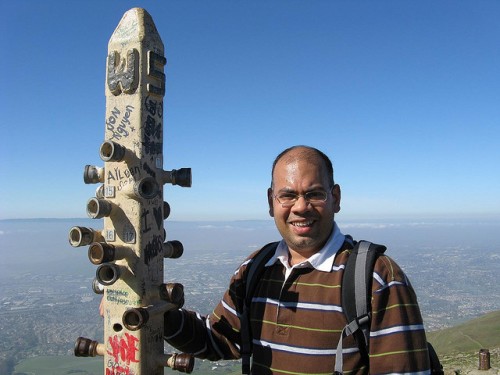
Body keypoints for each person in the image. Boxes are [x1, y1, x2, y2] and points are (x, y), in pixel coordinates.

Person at [164, 145, 431, 374]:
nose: (300, 207)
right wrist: (159, 314)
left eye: (314, 194)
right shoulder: (257, 267)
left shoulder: (376, 278)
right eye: (288, 195)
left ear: (335, 199)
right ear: (271, 202)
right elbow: (220, 338)